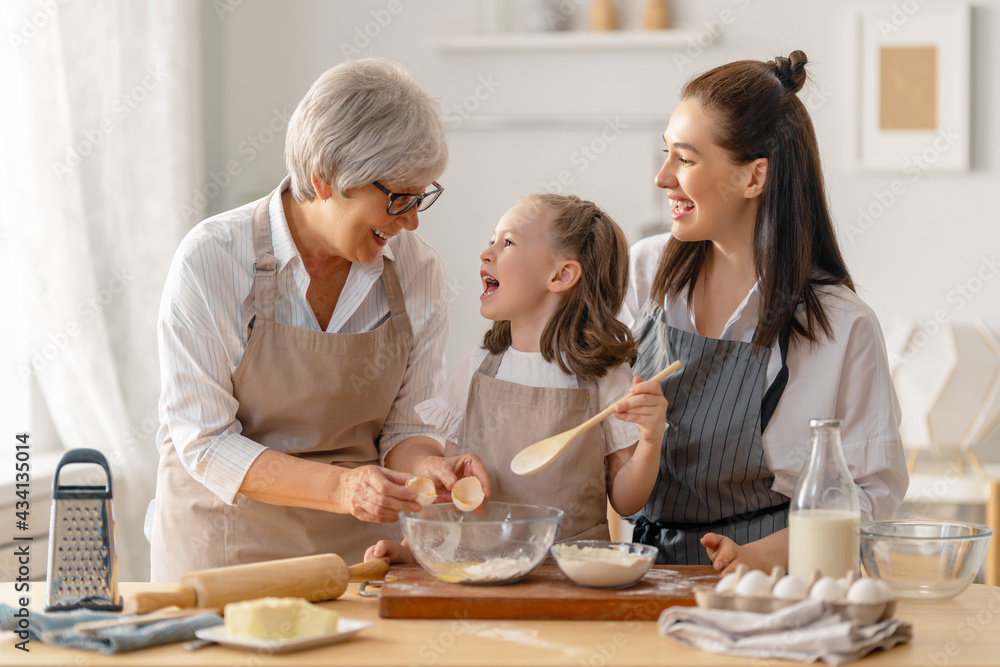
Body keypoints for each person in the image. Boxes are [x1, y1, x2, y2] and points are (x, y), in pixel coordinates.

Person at [149, 59, 486, 581]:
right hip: (224, 555)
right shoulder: (212, 260)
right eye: (399, 197)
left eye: (422, 197)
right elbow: (206, 442)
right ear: (324, 178)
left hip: (355, 561)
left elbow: (407, 428)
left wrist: (427, 469)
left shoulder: (418, 272)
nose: (412, 220)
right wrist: (344, 488)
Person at [622, 51, 908, 573]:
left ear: (755, 178)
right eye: (665, 154)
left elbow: (871, 498)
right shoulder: (642, 272)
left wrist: (756, 557)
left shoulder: (843, 325)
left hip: (780, 586)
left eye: (684, 159)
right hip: (647, 575)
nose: (662, 178)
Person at [367, 194, 669, 564]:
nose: (486, 253)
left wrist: (651, 438)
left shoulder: (605, 378)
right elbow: (450, 490)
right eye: (491, 239)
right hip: (479, 572)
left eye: (507, 243)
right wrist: (411, 551)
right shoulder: (477, 370)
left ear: (560, 275)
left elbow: (626, 500)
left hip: (571, 579)